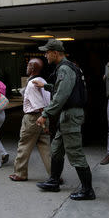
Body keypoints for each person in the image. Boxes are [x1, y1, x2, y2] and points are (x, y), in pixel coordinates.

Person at [33, 39, 95, 200]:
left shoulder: (65, 70)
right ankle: (54, 181)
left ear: (55, 53)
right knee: (56, 149)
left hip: (70, 116)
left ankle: (88, 190)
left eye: (47, 52)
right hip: (66, 116)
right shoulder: (67, 68)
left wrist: (45, 114)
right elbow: (63, 89)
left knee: (75, 152)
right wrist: (46, 87)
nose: (45, 55)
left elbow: (61, 96)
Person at [9, 58, 51, 181]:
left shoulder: (33, 85)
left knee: (24, 145)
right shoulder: (42, 81)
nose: (26, 67)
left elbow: (38, 105)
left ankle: (20, 174)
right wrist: (46, 121)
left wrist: (43, 118)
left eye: (28, 65)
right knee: (45, 148)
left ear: (32, 68)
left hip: (33, 118)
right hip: (44, 116)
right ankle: (54, 175)